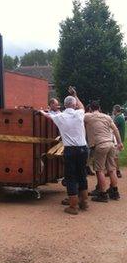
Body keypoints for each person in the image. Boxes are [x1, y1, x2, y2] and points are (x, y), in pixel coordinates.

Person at [40, 87, 88, 215]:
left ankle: (73, 206)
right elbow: (81, 106)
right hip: (83, 149)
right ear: (74, 105)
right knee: (82, 174)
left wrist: (40, 112)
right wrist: (75, 95)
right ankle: (84, 202)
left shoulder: (60, 116)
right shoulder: (79, 113)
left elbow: (47, 115)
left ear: (64, 105)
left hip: (70, 150)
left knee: (71, 177)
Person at [84, 101, 124, 202]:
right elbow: (116, 130)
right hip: (110, 144)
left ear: (90, 109)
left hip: (100, 145)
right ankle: (115, 192)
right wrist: (119, 143)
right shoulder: (107, 117)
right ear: (100, 108)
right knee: (112, 169)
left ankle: (103, 194)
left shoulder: (88, 116)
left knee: (99, 170)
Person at [112, 104, 126, 178]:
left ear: (115, 110)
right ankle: (113, 171)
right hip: (118, 139)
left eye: (113, 110)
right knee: (113, 156)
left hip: (117, 140)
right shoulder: (120, 117)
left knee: (115, 156)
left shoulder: (118, 118)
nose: (113, 111)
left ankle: (117, 171)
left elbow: (112, 127)